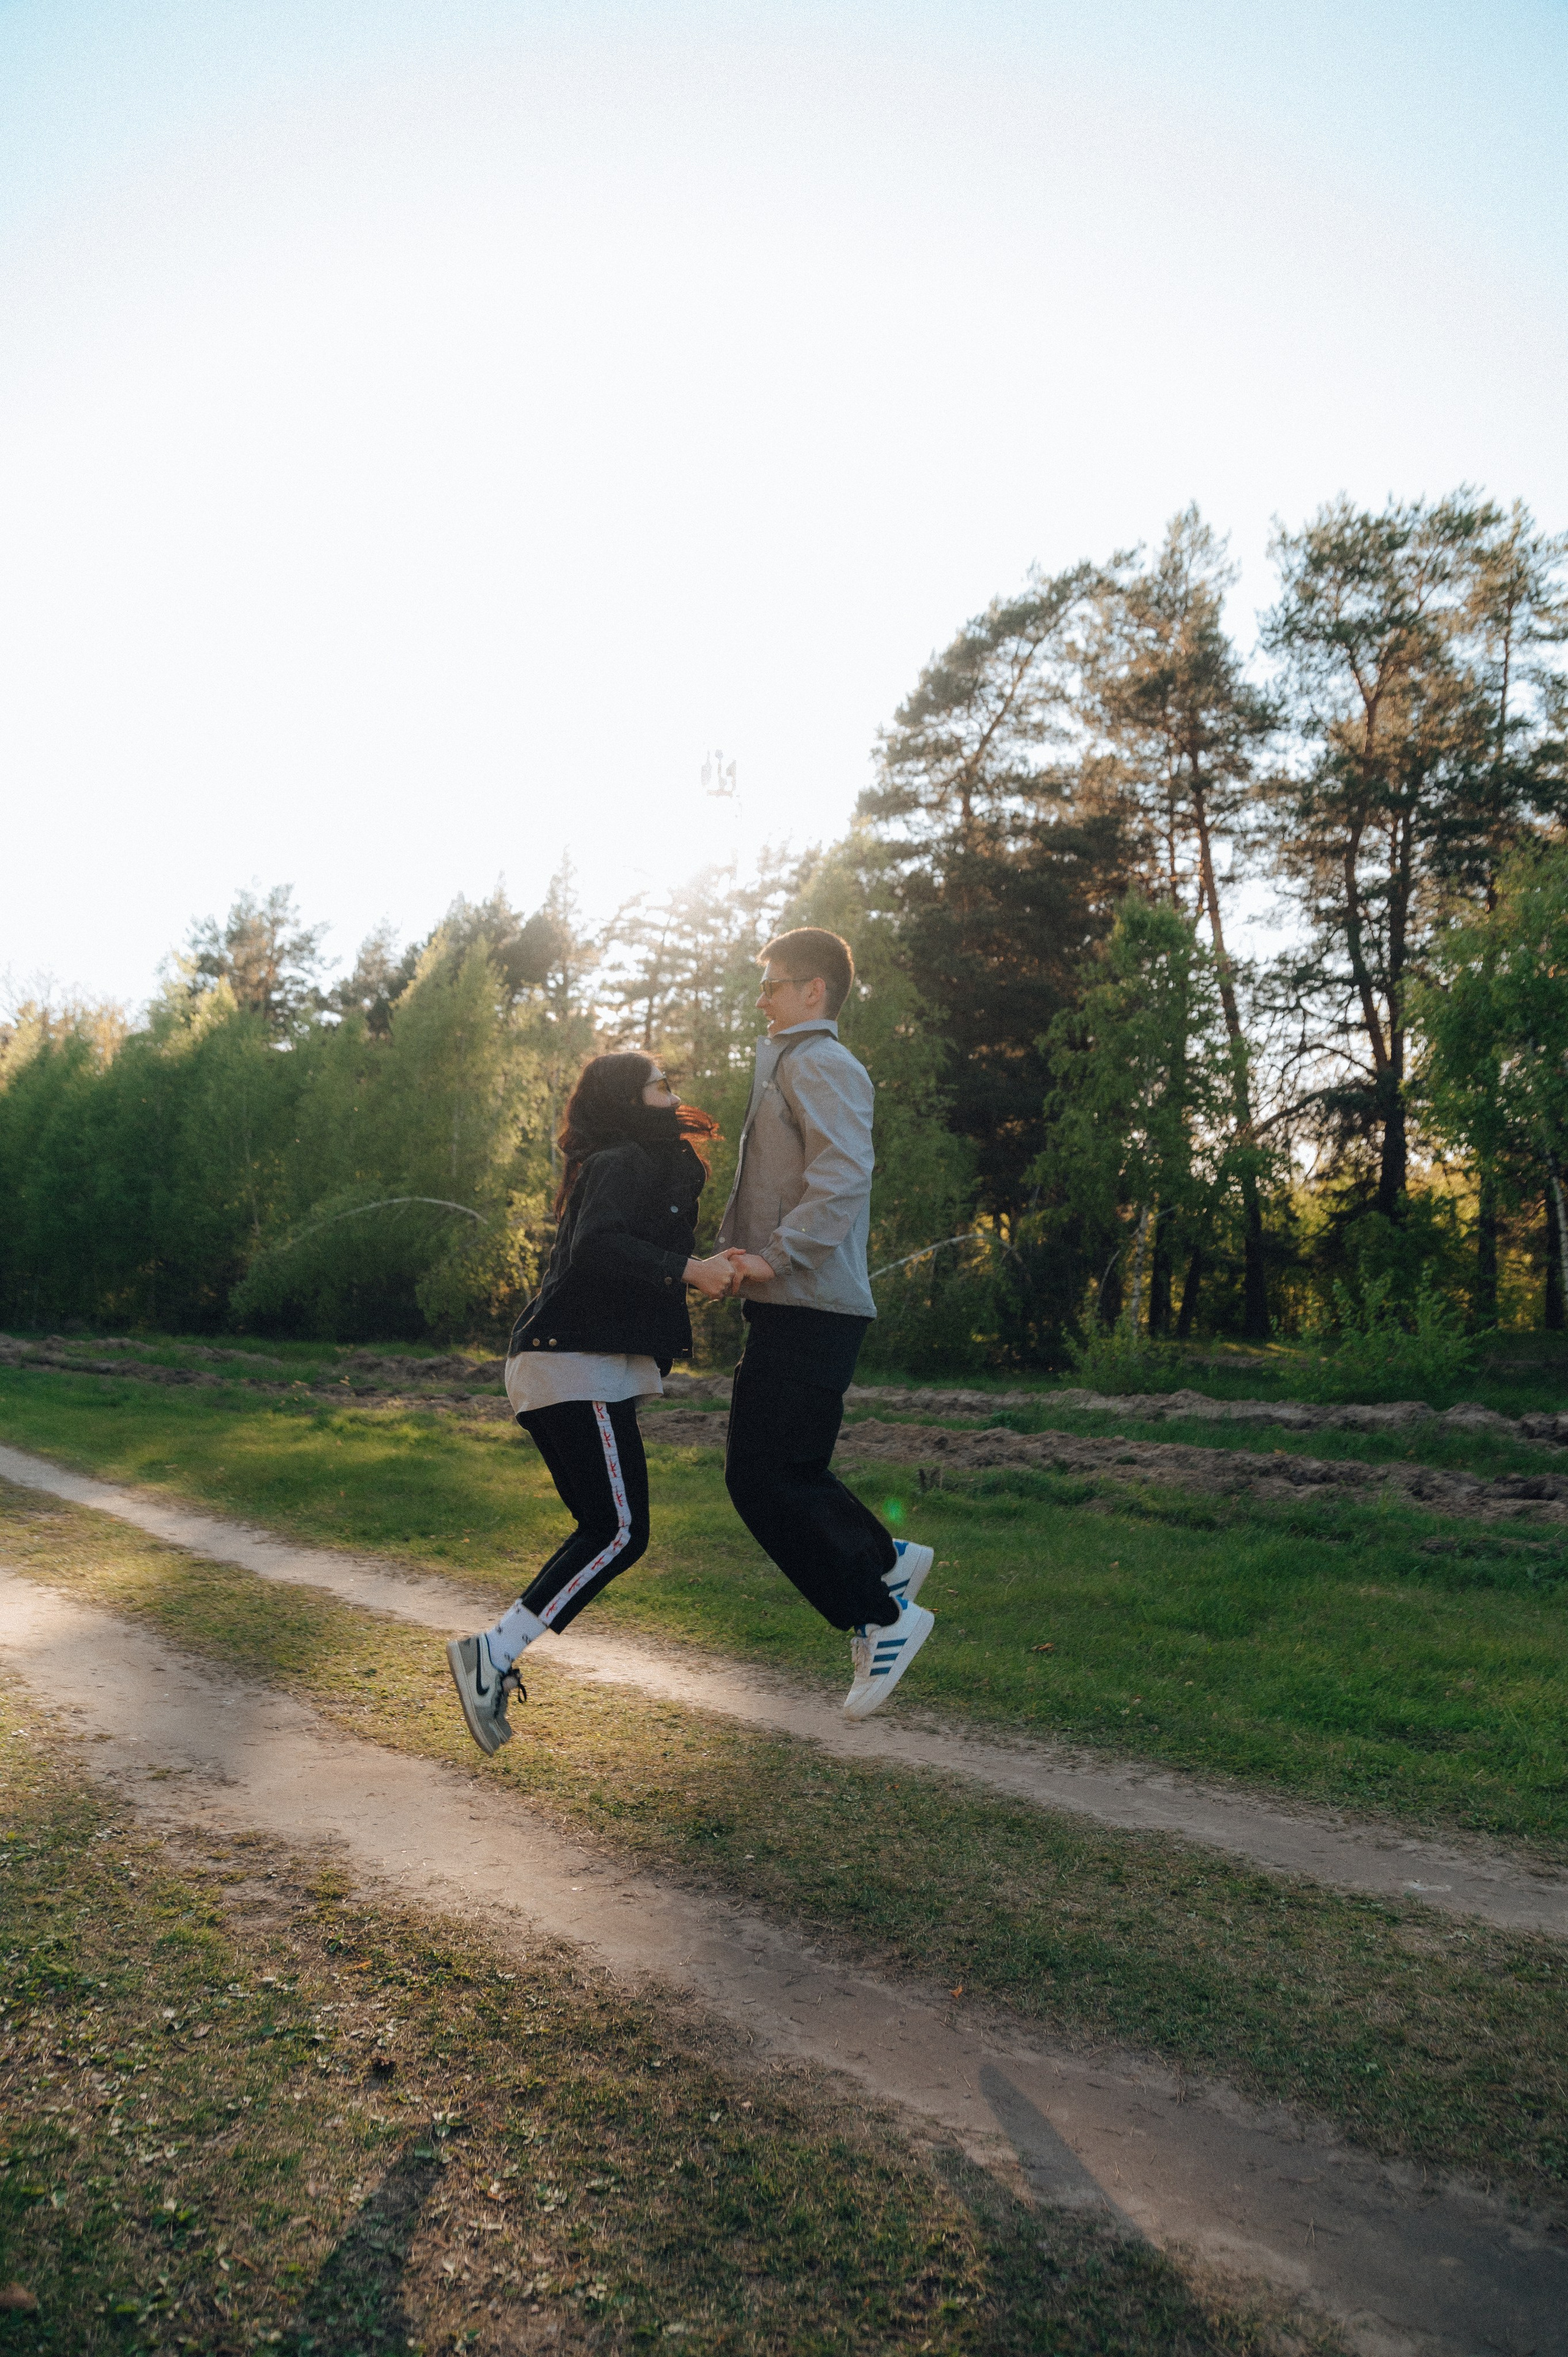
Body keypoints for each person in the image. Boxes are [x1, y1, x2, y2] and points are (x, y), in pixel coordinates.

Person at [447, 1052, 736, 1754]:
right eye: (659, 1085)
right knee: (617, 1530)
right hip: (572, 1360)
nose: (673, 1096)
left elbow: (632, 1243)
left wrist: (713, 1263)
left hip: (569, 1360)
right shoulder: (622, 1161)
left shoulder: (640, 1160)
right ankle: (492, 1651)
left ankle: (495, 1652)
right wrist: (688, 1271)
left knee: (609, 1528)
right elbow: (597, 1247)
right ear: (627, 1099)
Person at [717, 926, 936, 1718]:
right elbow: (776, 1179)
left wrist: (777, 1255)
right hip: (791, 1302)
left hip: (811, 1301)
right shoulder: (791, 1062)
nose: (763, 995)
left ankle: (883, 1616)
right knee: (786, 1471)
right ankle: (885, 1559)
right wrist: (732, 1257)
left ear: (815, 992)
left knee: (762, 1476)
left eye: (774, 982)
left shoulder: (822, 1064)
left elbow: (844, 1176)